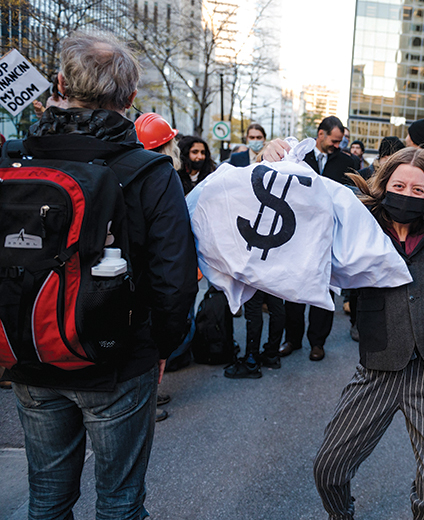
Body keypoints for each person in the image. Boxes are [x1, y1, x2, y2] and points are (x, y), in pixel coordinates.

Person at [5, 32, 198, 519]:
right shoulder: (150, 171)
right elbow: (174, 278)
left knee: (47, 498)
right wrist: (162, 347)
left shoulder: (15, 159)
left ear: (61, 83)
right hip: (117, 359)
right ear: (130, 100)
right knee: (119, 500)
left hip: (30, 351)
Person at [312, 147, 424, 520]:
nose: (407, 195)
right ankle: (340, 515)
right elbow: (298, 201)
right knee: (328, 470)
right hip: (379, 368)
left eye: (418, 190)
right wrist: (273, 160)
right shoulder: (357, 225)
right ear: (384, 186)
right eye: (399, 186)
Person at [283, 116, 355, 361]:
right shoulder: (298, 156)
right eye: (334, 140)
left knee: (324, 290)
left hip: (328, 235)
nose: (337, 145)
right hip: (297, 234)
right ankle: (292, 339)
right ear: (320, 134)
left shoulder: (347, 162)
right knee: (293, 289)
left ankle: (318, 343)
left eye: (340, 141)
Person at [134, 112, 183, 421]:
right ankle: (144, 402)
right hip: (153, 278)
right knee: (149, 341)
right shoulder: (163, 177)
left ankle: (149, 392)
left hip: (135, 275)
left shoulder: (126, 170)